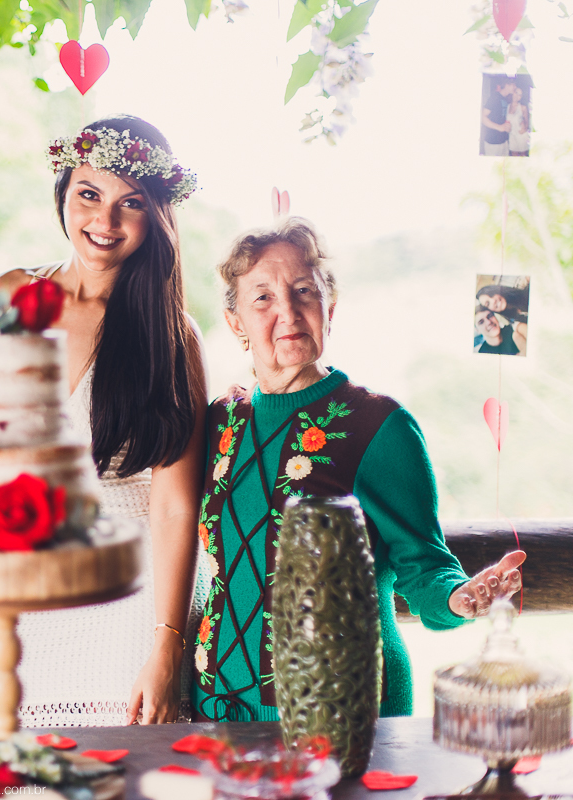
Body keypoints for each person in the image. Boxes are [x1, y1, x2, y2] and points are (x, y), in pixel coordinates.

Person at [194, 217, 525, 722]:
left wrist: (460, 598)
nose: (287, 310)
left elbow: (424, 565)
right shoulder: (219, 420)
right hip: (217, 707)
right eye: (262, 297)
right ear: (236, 321)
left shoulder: (377, 425)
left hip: (341, 707)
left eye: (304, 290)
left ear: (330, 306)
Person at [0, 116, 208, 726]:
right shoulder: (9, 298)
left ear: (157, 215)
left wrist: (167, 645)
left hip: (134, 596)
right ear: (63, 192)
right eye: (89, 194)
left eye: (129, 204)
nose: (104, 222)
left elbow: (174, 506)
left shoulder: (173, 336)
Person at [481, 78, 514, 157]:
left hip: (503, 141)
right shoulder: (495, 97)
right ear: (507, 85)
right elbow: (482, 117)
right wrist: (499, 127)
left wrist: (507, 128)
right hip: (493, 142)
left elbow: (501, 119)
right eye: (514, 85)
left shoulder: (505, 99)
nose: (515, 87)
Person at [507, 84, 530, 157]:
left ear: (521, 98)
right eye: (516, 92)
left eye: (520, 95)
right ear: (513, 92)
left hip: (521, 136)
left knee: (523, 157)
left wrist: (525, 126)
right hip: (512, 136)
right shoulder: (507, 106)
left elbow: (527, 122)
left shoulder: (523, 107)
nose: (517, 96)